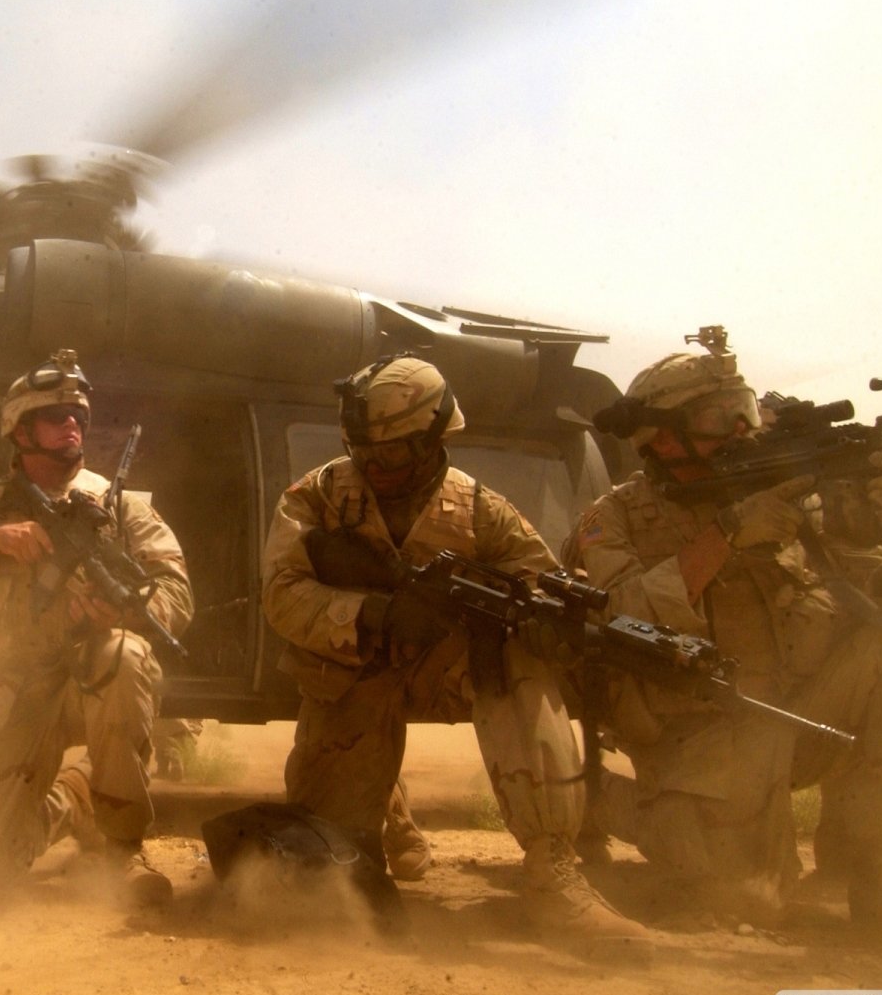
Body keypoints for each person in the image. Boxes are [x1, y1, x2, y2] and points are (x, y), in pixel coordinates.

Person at [564, 331, 882, 946]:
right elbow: (615, 615)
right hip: (703, 736)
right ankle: (607, 803)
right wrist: (727, 534)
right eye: (716, 417)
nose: (741, 430)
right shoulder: (616, 518)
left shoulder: (794, 502)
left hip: (805, 721)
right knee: (743, 903)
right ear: (661, 437)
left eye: (746, 410)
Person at [262, 353, 647, 945]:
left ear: (432, 440)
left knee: (518, 659)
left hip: (446, 669)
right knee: (329, 865)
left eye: (389, 453)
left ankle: (552, 869)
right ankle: (383, 810)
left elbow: (539, 582)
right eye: (363, 450)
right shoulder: (318, 496)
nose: (373, 465)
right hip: (350, 672)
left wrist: (550, 632)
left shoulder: (482, 512)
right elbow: (283, 595)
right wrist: (374, 613)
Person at [0, 350, 192, 906]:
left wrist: (122, 614)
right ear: (20, 431)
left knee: (123, 656)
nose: (72, 425)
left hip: (92, 685)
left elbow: (174, 589)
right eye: (56, 416)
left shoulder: (118, 508)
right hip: (13, 692)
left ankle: (122, 848)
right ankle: (72, 798)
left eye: (78, 416)